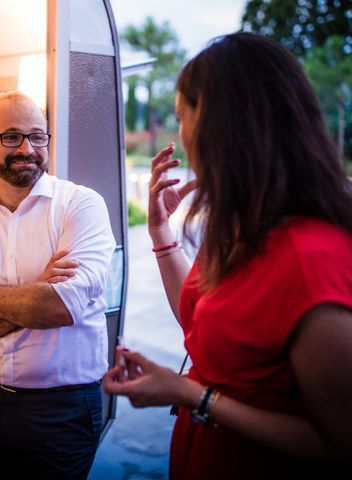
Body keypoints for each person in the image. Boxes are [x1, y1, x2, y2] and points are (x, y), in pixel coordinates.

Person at [103, 32, 352, 479]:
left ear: (222, 125)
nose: (181, 133)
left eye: (183, 116)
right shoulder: (245, 225)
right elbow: (201, 320)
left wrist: (190, 394)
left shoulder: (311, 258)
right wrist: (161, 233)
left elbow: (339, 443)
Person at [0, 91, 116, 479]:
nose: (27, 148)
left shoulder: (81, 207)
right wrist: (36, 291)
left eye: (37, 136)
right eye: (11, 137)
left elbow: (59, 307)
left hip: (63, 409)